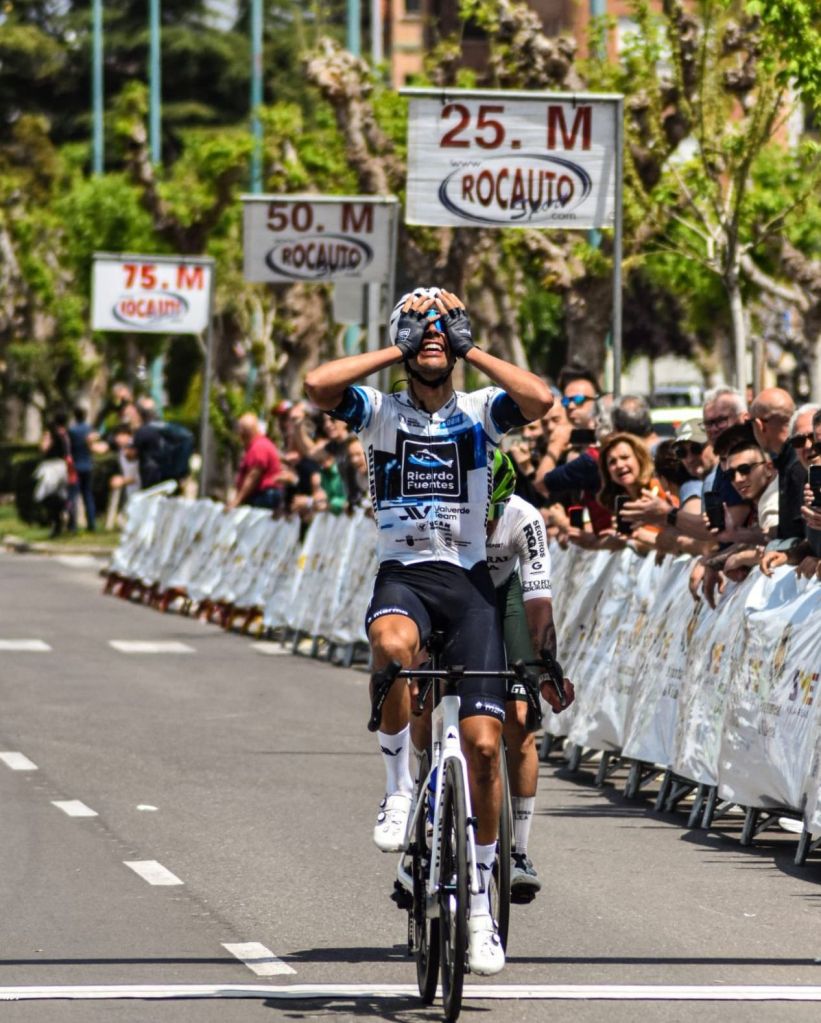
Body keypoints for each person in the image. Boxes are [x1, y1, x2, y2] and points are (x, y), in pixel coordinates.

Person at [304, 285, 553, 976]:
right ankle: (396, 788)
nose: (433, 336)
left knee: (484, 747)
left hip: (469, 586)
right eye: (420, 330)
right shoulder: (380, 412)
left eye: (445, 328)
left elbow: (539, 399)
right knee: (390, 646)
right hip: (405, 575)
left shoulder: (480, 411)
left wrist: (473, 349)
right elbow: (318, 385)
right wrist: (399, 346)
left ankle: (479, 909)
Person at [482, 451, 572, 901]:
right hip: (455, 595)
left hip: (505, 596)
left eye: (493, 512)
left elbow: (538, 602)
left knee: (519, 719)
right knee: (431, 691)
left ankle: (518, 852)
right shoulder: (442, 512)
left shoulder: (524, 517)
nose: (486, 523)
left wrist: (546, 667)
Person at [226, 412, 285, 511]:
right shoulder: (257, 445)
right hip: (264, 495)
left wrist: (237, 500)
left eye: (241, 431)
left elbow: (253, 476)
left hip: (265, 496)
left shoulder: (259, 447)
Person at [37, 410, 72, 538]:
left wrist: (44, 441)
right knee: (59, 494)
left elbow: (44, 448)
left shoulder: (51, 433)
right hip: (62, 466)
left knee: (44, 495)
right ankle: (63, 513)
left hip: (51, 467)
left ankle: (57, 519)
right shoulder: (66, 433)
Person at [67, 406, 97, 533]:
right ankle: (91, 523)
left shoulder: (72, 430)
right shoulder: (89, 429)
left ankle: (72, 525)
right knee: (88, 494)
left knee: (73, 496)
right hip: (87, 465)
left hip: (75, 466)